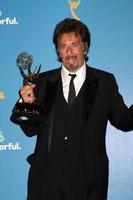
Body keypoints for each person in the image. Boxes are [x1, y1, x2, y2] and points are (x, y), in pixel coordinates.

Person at [16, 18, 133, 200]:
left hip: (88, 184)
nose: (69, 51)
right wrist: (27, 104)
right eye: (63, 46)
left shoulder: (105, 82)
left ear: (85, 47)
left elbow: (124, 121)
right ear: (58, 51)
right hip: (46, 184)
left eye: (74, 45)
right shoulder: (41, 82)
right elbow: (30, 130)